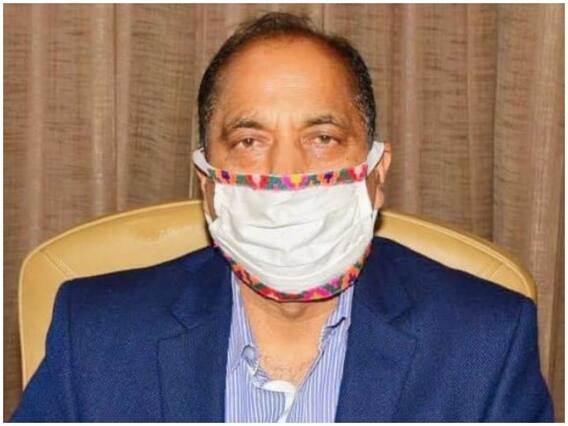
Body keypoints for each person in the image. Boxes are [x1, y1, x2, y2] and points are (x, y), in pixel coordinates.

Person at [10, 12, 553, 422]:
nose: (286, 174)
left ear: (376, 173)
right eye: (250, 141)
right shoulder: (96, 335)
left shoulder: (485, 342)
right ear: (207, 185)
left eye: (322, 138)